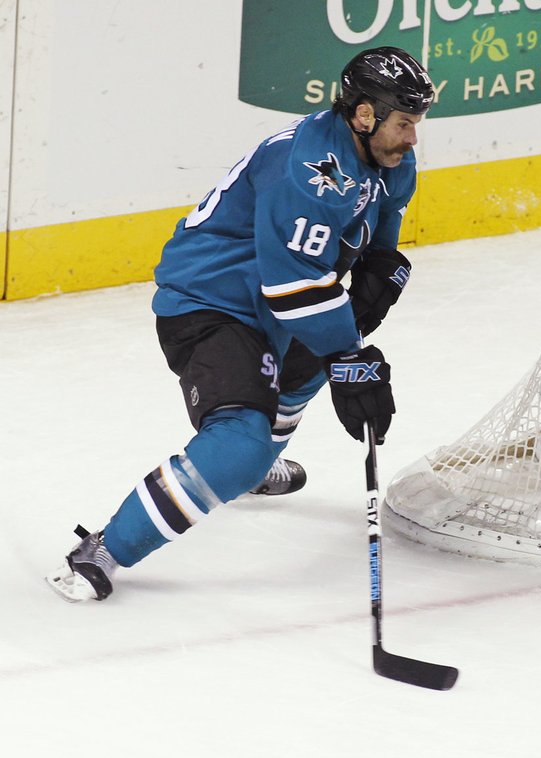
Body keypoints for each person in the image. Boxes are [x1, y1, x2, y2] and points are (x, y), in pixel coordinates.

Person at [46, 47, 435, 602]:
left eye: (417, 124)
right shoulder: (306, 171)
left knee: (309, 368)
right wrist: (350, 354)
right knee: (239, 444)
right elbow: (293, 288)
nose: (413, 139)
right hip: (210, 303)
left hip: (276, 302)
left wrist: (378, 277)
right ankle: (106, 547)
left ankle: (253, 469)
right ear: (364, 115)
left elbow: (375, 241)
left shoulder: (390, 159)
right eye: (404, 124)